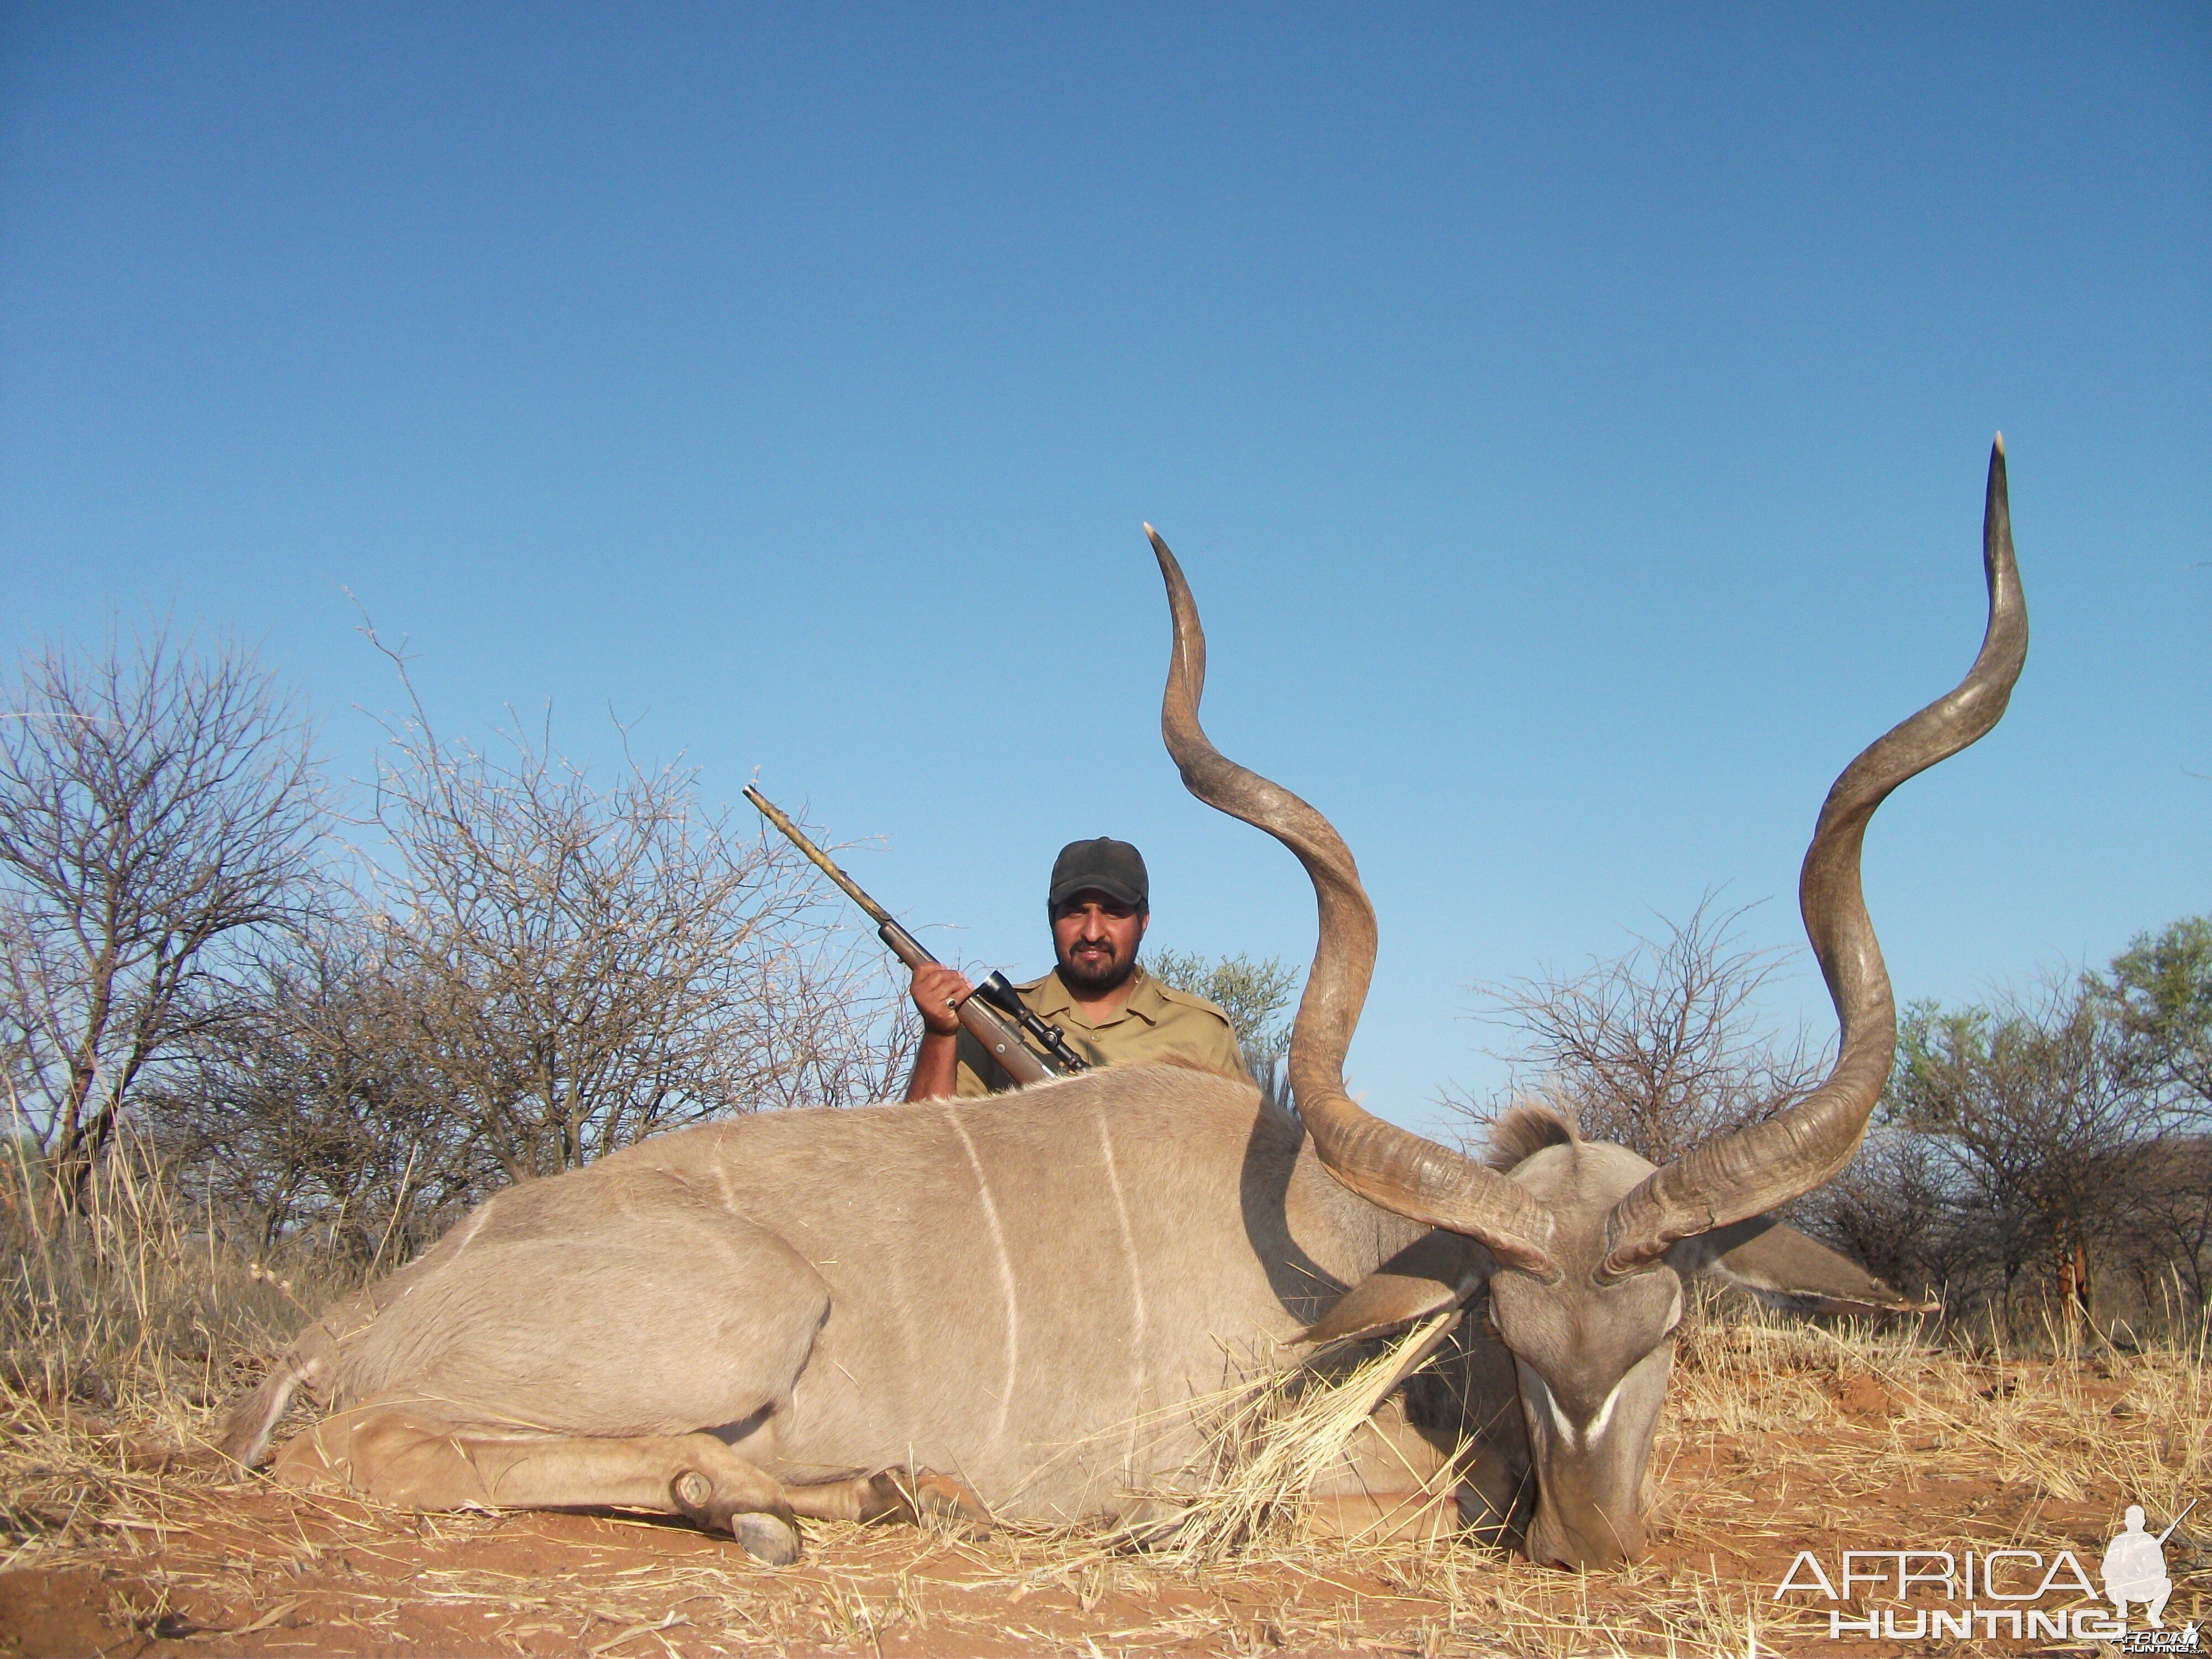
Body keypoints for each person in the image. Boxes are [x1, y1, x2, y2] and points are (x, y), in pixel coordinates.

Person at [902, 836, 1245, 1100]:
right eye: (1075, 911)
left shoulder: (1203, 1031)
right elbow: (926, 1149)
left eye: (1113, 912)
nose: (1092, 932)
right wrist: (939, 1033)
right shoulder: (992, 1018)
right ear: (1052, 918)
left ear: (1143, 922)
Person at [2102, 1505, 2174, 1627]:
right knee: (2110, 1583)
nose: (2134, 1523)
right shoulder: (2119, 1541)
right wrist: (2122, 1570)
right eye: (2132, 1520)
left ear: (2143, 1522)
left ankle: (2154, 1614)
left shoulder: (2150, 1541)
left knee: (2166, 1584)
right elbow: (2106, 1570)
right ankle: (2122, 1607)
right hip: (2124, 1588)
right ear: (2126, 1522)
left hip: (2145, 1587)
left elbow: (2162, 1571)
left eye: (2137, 1520)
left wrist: (2146, 1568)